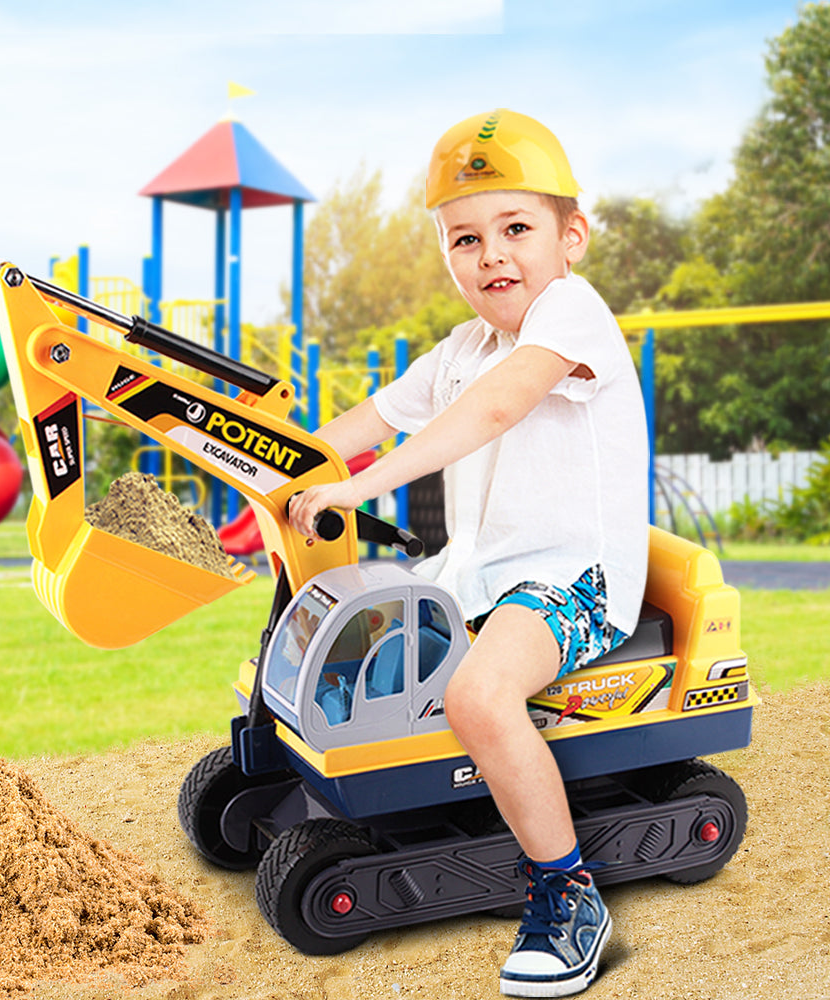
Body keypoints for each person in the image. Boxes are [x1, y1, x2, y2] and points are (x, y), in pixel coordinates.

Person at [288, 109, 648, 997]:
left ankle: (568, 893)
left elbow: (493, 410)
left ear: (572, 238)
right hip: (479, 573)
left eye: (515, 230)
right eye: (465, 238)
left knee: (477, 695)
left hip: (574, 580)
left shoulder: (572, 313)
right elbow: (366, 423)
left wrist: (356, 490)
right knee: (367, 652)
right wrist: (280, 463)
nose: (491, 255)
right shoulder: (463, 348)